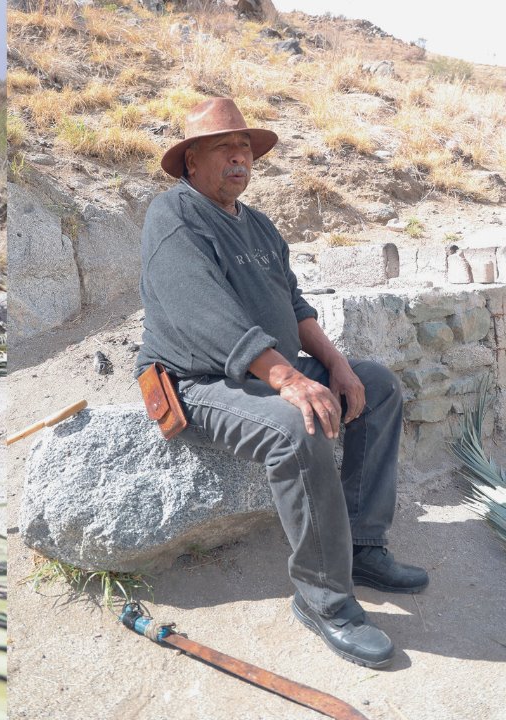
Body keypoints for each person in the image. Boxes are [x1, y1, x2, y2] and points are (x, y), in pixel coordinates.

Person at [135, 97, 428, 669]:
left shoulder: (260, 225)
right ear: (191, 161)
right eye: (225, 148)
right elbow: (202, 316)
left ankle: (364, 545)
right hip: (197, 381)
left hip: (265, 367)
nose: (239, 158)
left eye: (245, 147)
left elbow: (294, 305)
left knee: (378, 385)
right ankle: (322, 599)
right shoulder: (174, 217)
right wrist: (290, 378)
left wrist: (336, 366)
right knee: (296, 426)